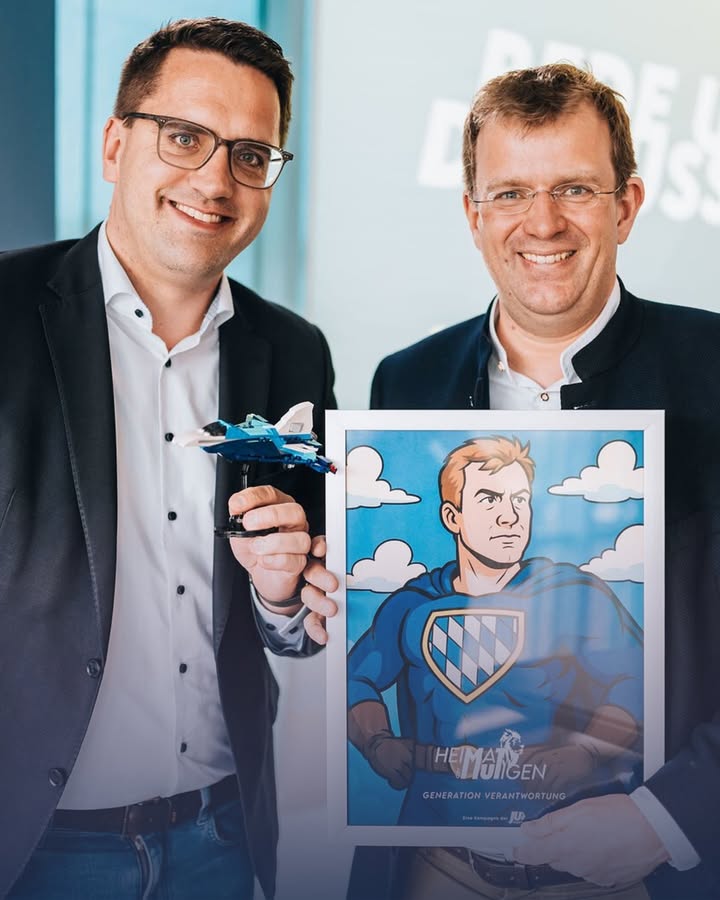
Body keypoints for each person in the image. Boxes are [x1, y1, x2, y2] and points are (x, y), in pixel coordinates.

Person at [349, 63, 720, 899]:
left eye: (575, 189)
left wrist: (665, 819)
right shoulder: (404, 382)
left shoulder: (715, 368)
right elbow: (359, 671)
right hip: (437, 870)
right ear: (473, 214)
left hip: (646, 870)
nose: (542, 222)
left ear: (626, 205)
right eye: (511, 193)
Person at [1, 17, 335, 900]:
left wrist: (283, 598)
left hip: (220, 839)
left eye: (251, 155)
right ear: (116, 145)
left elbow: (293, 618)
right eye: (184, 137)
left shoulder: (294, 352)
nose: (215, 181)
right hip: (29, 849)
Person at [347, 436, 643, 835]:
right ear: (452, 517)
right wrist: (376, 741)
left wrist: (590, 750)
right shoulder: (412, 605)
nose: (510, 516)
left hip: (567, 836)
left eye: (520, 499)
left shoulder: (573, 594)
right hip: (435, 834)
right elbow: (353, 679)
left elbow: (638, 678)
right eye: (489, 499)